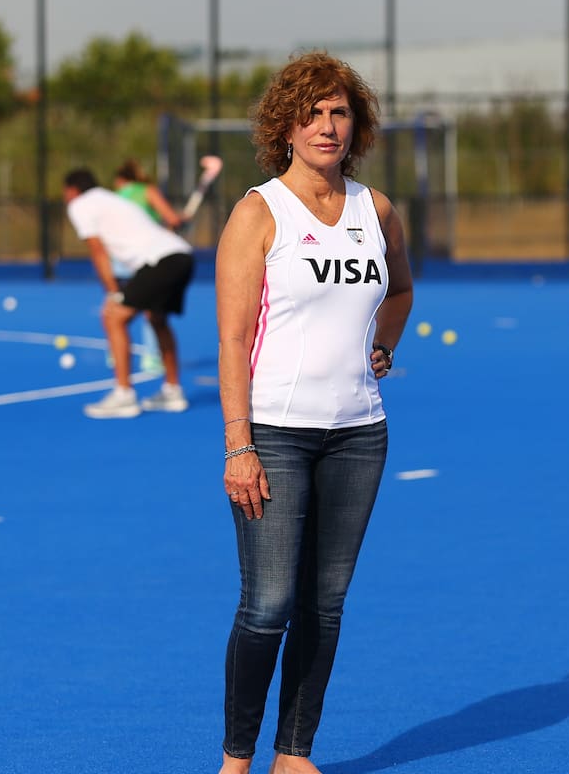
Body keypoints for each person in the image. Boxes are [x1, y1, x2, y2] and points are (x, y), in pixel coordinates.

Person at [214, 51, 413, 774]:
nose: (327, 126)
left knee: (325, 605)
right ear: (286, 126)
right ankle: (236, 759)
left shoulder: (376, 210)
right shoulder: (257, 212)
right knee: (268, 604)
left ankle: (293, 754)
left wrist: (382, 348)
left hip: (360, 433)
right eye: (313, 113)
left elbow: (398, 292)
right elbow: (233, 340)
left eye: (339, 112)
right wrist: (239, 446)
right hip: (274, 433)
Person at [63, 167, 195, 418]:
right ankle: (172, 391)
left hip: (159, 261)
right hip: (181, 256)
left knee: (113, 316)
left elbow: (97, 249)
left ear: (71, 191)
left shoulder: (79, 205)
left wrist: (113, 292)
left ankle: (124, 395)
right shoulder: (112, 199)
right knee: (156, 319)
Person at [113, 158, 189, 375]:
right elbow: (171, 220)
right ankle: (152, 358)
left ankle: (117, 352)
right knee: (151, 309)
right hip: (148, 257)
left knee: (118, 307)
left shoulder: (115, 196)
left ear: (120, 179)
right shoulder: (148, 191)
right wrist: (181, 219)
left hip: (119, 258)